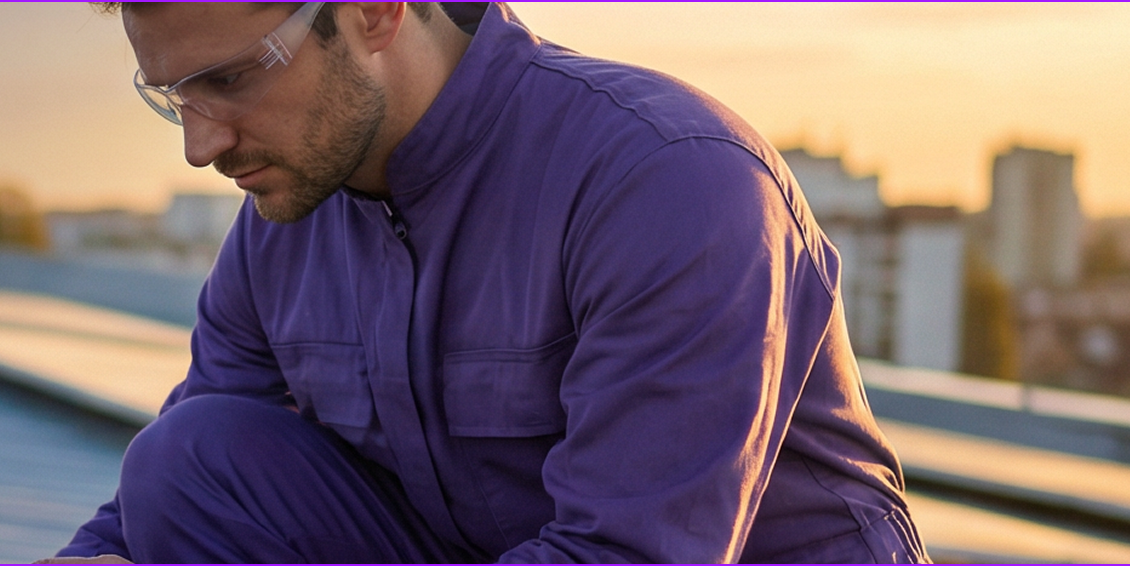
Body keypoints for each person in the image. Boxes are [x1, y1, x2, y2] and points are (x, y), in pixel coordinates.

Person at [50, 2, 925, 563]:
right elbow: (145, 518)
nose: (199, 146)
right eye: (171, 97)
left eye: (229, 79)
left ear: (373, 11)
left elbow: (627, 557)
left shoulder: (669, 179)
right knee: (187, 462)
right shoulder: (287, 224)